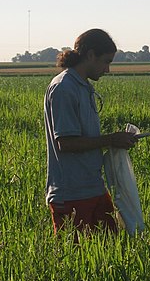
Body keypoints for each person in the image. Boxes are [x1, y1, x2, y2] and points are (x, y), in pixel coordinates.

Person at [44, 28, 137, 238]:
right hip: (71, 194)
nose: (107, 69)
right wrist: (112, 139)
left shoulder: (83, 86)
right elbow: (66, 143)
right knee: (78, 263)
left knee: (110, 253)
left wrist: (116, 141)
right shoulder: (63, 88)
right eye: (106, 61)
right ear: (91, 55)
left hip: (94, 187)